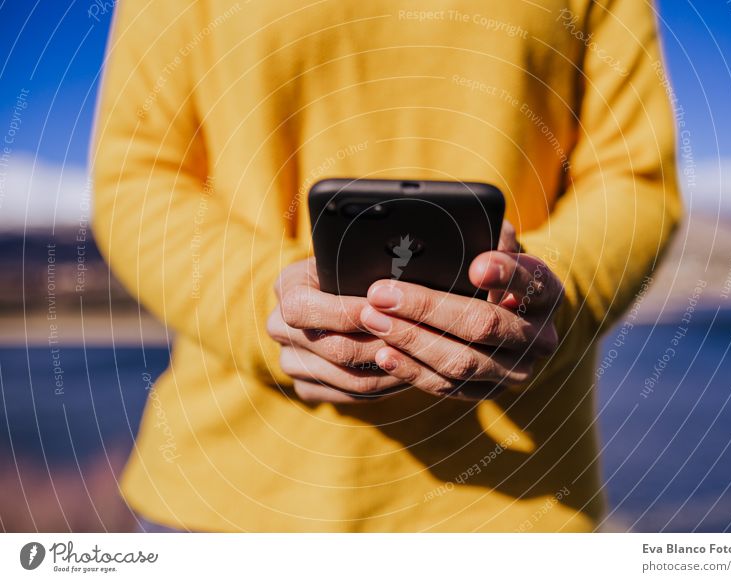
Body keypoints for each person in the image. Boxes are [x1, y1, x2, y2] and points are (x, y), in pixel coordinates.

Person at [92, 0, 680, 532]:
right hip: (231, 494)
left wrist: (547, 296)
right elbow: (138, 174)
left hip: (514, 508)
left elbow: (635, 178)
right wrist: (270, 306)